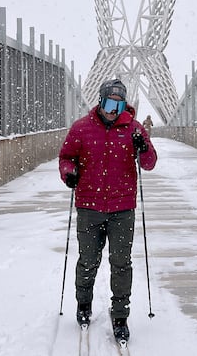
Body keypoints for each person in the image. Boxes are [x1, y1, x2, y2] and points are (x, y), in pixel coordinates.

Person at [58, 79, 157, 342]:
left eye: (119, 103)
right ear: (101, 101)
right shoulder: (82, 128)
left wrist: (143, 147)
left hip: (122, 208)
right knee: (88, 260)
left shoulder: (133, 129)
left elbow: (149, 163)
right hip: (89, 206)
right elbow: (66, 157)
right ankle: (83, 304)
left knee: (121, 263)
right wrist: (69, 173)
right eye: (110, 102)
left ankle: (121, 315)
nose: (114, 109)